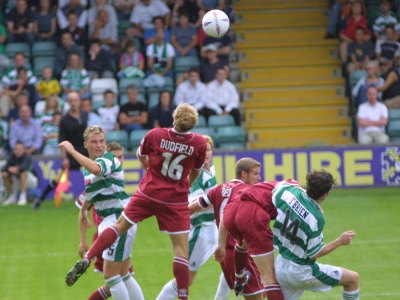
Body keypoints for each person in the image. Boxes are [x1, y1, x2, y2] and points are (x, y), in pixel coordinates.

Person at [65, 103, 207, 300]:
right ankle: (183, 297)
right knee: (180, 251)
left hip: (149, 192)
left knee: (118, 233)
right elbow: (196, 172)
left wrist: (148, 170)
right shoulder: (198, 143)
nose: (98, 145)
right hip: (175, 199)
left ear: (174, 119)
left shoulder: (156, 134)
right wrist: (185, 186)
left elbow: (142, 155)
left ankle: (88, 258)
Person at [60, 126, 142, 300]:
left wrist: (72, 152)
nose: (99, 145)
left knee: (111, 277)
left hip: (118, 222)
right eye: (94, 142)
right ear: (86, 145)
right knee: (124, 274)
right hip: (117, 222)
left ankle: (87, 260)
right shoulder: (87, 170)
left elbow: (97, 169)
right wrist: (83, 212)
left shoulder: (109, 159)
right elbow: (90, 197)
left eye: (101, 141)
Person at [272, 171, 360, 300]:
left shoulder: (289, 193)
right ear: (325, 195)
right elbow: (314, 253)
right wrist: (340, 241)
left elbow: (276, 188)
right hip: (299, 272)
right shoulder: (316, 218)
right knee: (352, 279)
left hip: (280, 265)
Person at [192, 157, 263, 299]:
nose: (259, 178)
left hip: (226, 254)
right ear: (244, 174)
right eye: (255, 173)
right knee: (257, 295)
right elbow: (227, 215)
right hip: (240, 253)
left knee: (263, 290)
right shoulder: (247, 192)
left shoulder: (219, 189)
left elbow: (194, 206)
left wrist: (175, 219)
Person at [157, 135, 217, 299]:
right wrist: (220, 199)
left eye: (209, 150)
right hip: (201, 231)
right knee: (184, 280)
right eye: (203, 151)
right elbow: (194, 204)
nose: (207, 154)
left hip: (212, 230)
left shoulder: (209, 171)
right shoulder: (198, 176)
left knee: (230, 265)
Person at [219, 180, 285, 299]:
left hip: (230, 212)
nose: (259, 177)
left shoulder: (256, 188)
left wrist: (220, 243)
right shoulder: (296, 196)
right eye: (255, 173)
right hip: (250, 213)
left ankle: (239, 277)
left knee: (242, 244)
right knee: (269, 277)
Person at [33, 92, 88, 209]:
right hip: (71, 153)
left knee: (94, 175)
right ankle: (40, 199)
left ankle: (97, 200)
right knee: (58, 178)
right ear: (68, 103)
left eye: (75, 100)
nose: (73, 103)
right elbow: (62, 140)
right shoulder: (64, 120)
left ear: (79, 101)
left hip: (85, 152)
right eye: (71, 100)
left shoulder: (84, 115)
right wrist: (64, 158)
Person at [2, 141, 38, 206]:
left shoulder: (27, 156)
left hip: (31, 181)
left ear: (24, 150)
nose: (17, 151)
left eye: (19, 149)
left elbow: (24, 167)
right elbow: (5, 167)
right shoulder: (12, 157)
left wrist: (15, 168)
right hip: (17, 181)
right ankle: (12, 197)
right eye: (16, 149)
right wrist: (9, 169)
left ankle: (23, 197)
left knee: (23, 173)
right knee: (5, 174)